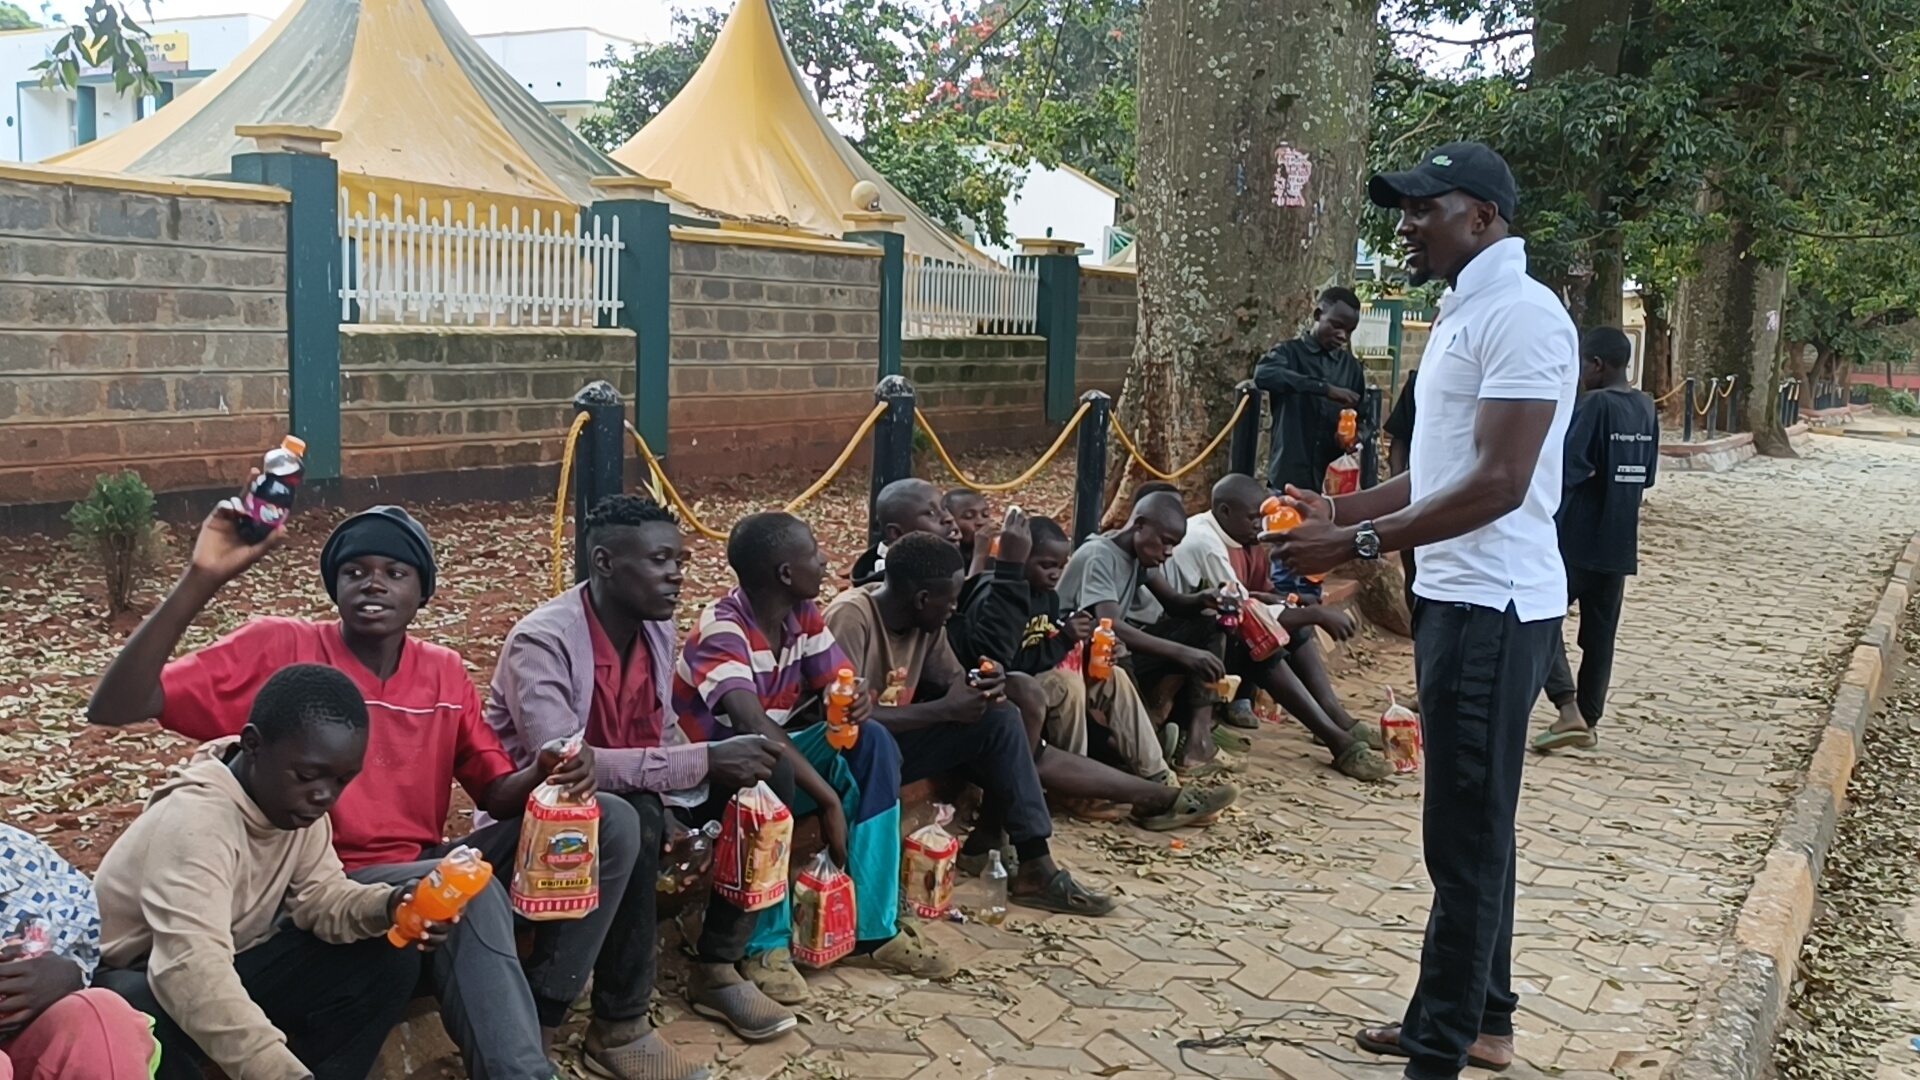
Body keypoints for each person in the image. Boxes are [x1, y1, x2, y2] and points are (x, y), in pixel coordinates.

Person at [87, 502, 644, 1080]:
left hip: (366, 895)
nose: (374, 583)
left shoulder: (441, 675)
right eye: (356, 571)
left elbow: (495, 793)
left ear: (422, 591)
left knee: (611, 819)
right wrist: (202, 578)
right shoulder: (278, 660)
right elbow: (116, 706)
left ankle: (547, 1014)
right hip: (281, 915)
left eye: (395, 572)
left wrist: (548, 771)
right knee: (465, 896)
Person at [1271, 141, 1576, 1080]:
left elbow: (1498, 482)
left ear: (1483, 217)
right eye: (1401, 207)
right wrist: (1345, 510)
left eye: (1422, 207)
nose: (1404, 223)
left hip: (1493, 604)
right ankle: (1480, 1018)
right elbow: (1441, 467)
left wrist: (1357, 548)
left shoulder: (1524, 317)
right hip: (1455, 596)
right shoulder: (1465, 310)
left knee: (1465, 833)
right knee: (1477, 821)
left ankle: (1438, 1052)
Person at [485, 496, 792, 1073]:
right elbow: (567, 765)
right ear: (603, 562)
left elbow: (658, 731)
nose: (676, 574)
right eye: (658, 560)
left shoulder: (655, 628)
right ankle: (618, 1024)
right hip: (538, 827)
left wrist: (682, 793)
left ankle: (717, 963)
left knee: (766, 772)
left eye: (678, 559)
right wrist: (696, 766)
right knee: (634, 814)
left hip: (628, 798)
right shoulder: (542, 641)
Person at [672, 509, 956, 1008]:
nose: (825, 561)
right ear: (785, 573)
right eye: (814, 554)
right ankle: (764, 947)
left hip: (771, 764)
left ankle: (874, 927)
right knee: (769, 762)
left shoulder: (802, 617)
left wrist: (858, 698)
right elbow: (752, 729)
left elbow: (840, 686)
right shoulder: (722, 629)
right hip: (706, 782)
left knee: (874, 742)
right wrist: (826, 800)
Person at [94, 664, 426, 1080]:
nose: (324, 795)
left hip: (228, 962)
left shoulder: (296, 808)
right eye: (306, 776)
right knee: (130, 1006)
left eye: (341, 780)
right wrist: (276, 1070)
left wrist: (391, 905)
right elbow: (189, 967)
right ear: (253, 745)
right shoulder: (195, 822)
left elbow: (320, 899)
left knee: (388, 957)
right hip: (150, 977)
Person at [826, 532, 1118, 916]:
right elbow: (845, 718)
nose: (955, 608)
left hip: (899, 744)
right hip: (852, 756)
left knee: (1002, 715)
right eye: (950, 600)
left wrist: (984, 683)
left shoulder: (926, 624)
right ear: (922, 600)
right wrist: (944, 710)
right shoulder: (852, 617)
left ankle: (1035, 862)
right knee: (877, 734)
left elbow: (952, 682)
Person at [947, 514, 1238, 829]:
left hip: (1040, 671)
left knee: (1112, 677)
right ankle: (1072, 792)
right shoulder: (997, 595)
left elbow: (1044, 642)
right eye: (1046, 565)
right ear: (1019, 558)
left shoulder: (1048, 597)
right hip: (1012, 687)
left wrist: (1077, 644)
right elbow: (1004, 662)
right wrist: (1064, 641)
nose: (1055, 574)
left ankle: (1157, 775)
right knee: (1066, 684)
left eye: (1060, 566)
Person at [1164, 474, 1394, 782]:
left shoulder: (1241, 538)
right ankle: (1337, 739)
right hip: (1177, 649)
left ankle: (1336, 719)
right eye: (1252, 518)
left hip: (1202, 640)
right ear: (1224, 512)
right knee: (1261, 641)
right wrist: (1316, 615)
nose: (1259, 526)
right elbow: (1247, 615)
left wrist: (1288, 602)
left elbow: (1249, 596)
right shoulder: (1206, 542)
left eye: (1262, 517)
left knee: (1286, 625)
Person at [1533, 327, 1658, 752]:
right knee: (1600, 636)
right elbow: (1648, 475)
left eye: (1582, 364)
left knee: (1540, 618)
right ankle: (1589, 718)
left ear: (1597, 364)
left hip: (1576, 539)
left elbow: (1566, 469)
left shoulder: (1595, 406)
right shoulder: (1645, 407)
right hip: (1620, 540)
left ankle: (1567, 706)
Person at [1057, 492, 1233, 776]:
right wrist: (1185, 654)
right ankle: (1133, 739)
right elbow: (1109, 623)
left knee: (1208, 623)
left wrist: (1205, 597)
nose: (1169, 552)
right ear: (1139, 526)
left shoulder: (1138, 555)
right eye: (1165, 542)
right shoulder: (1100, 555)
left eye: (1174, 545)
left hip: (1115, 651)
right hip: (1079, 658)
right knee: (1129, 740)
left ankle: (1198, 741)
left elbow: (1174, 602)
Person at [0, 823, 155, 1080]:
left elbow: (80, 938)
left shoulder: (17, 854)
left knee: (99, 1013)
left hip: (17, 1039)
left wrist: (67, 974)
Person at [850, 478, 956, 584]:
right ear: (896, 533)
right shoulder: (899, 589)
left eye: (944, 508)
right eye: (931, 513)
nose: (948, 518)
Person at [1385, 369, 1419, 617]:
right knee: (1414, 571)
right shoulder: (1420, 380)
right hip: (1418, 496)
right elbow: (1400, 437)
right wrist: (1398, 487)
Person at [943, 489, 996, 577]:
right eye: (969, 516)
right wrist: (980, 555)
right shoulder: (945, 558)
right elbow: (970, 590)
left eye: (985, 515)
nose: (981, 522)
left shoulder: (995, 551)